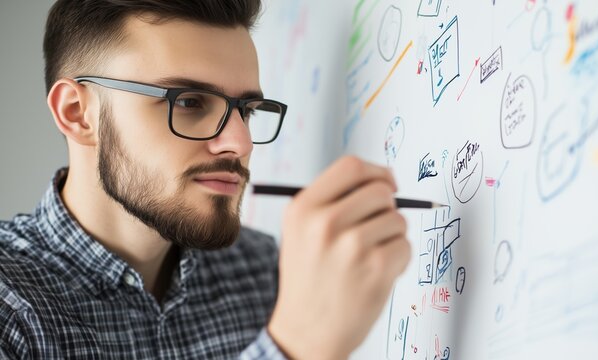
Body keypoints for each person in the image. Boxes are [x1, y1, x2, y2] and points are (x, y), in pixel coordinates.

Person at [0, 0, 410, 358]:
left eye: (246, 110)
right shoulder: (11, 309)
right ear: (77, 112)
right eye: (189, 102)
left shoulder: (262, 269)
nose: (240, 141)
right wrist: (296, 347)